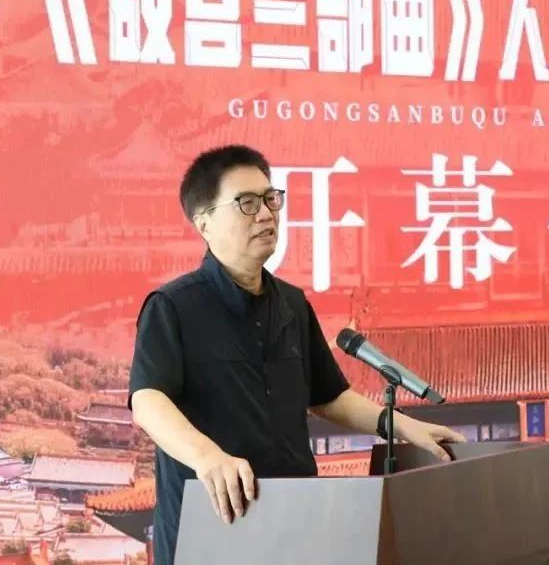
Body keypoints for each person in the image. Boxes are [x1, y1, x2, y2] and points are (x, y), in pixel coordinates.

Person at [127, 144, 464, 565]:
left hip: (293, 521)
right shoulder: (173, 306)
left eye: (270, 199)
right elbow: (148, 400)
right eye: (247, 203)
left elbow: (329, 396)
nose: (266, 214)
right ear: (204, 222)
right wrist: (207, 457)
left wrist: (404, 426)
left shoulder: (292, 304)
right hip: (212, 527)